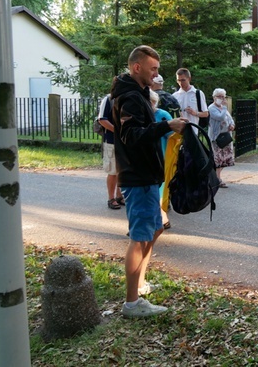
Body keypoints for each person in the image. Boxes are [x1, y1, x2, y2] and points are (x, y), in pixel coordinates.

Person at [111, 45, 186, 318]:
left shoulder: (139, 93)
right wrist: (167, 126)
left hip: (147, 175)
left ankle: (140, 283)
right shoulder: (129, 96)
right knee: (140, 235)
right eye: (152, 68)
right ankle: (131, 303)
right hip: (137, 176)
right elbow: (132, 136)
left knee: (156, 228)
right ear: (137, 67)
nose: (157, 73)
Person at [149, 90, 173, 230]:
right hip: (147, 158)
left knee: (161, 190)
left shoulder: (163, 115)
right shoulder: (140, 115)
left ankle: (163, 218)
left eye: (151, 101)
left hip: (162, 156)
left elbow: (172, 136)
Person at [98, 93, 125, 210]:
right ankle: (111, 198)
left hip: (125, 141)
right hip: (111, 141)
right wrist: (118, 131)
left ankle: (120, 196)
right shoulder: (108, 99)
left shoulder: (128, 98)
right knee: (112, 170)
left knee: (122, 170)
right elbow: (102, 119)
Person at [208, 88, 235, 188]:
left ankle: (216, 178)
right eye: (219, 96)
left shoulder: (224, 109)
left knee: (225, 159)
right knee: (218, 159)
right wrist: (224, 108)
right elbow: (219, 117)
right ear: (214, 97)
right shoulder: (212, 108)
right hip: (217, 137)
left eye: (223, 96)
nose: (222, 99)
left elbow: (229, 118)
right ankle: (217, 179)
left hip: (226, 136)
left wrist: (232, 125)